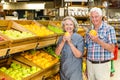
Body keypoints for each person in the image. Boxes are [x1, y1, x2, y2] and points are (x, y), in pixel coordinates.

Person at [86, 7, 117, 80]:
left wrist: (98, 40)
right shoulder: (89, 31)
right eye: (92, 17)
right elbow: (88, 49)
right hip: (90, 64)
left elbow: (112, 49)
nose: (94, 19)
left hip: (102, 65)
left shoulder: (109, 29)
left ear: (101, 17)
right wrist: (87, 68)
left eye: (96, 16)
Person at [55, 16, 84, 80]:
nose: (69, 26)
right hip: (64, 71)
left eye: (71, 24)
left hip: (75, 72)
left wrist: (70, 42)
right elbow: (57, 53)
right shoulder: (61, 38)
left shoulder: (79, 38)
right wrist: (63, 41)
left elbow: (79, 55)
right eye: (66, 24)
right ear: (63, 26)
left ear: (74, 26)